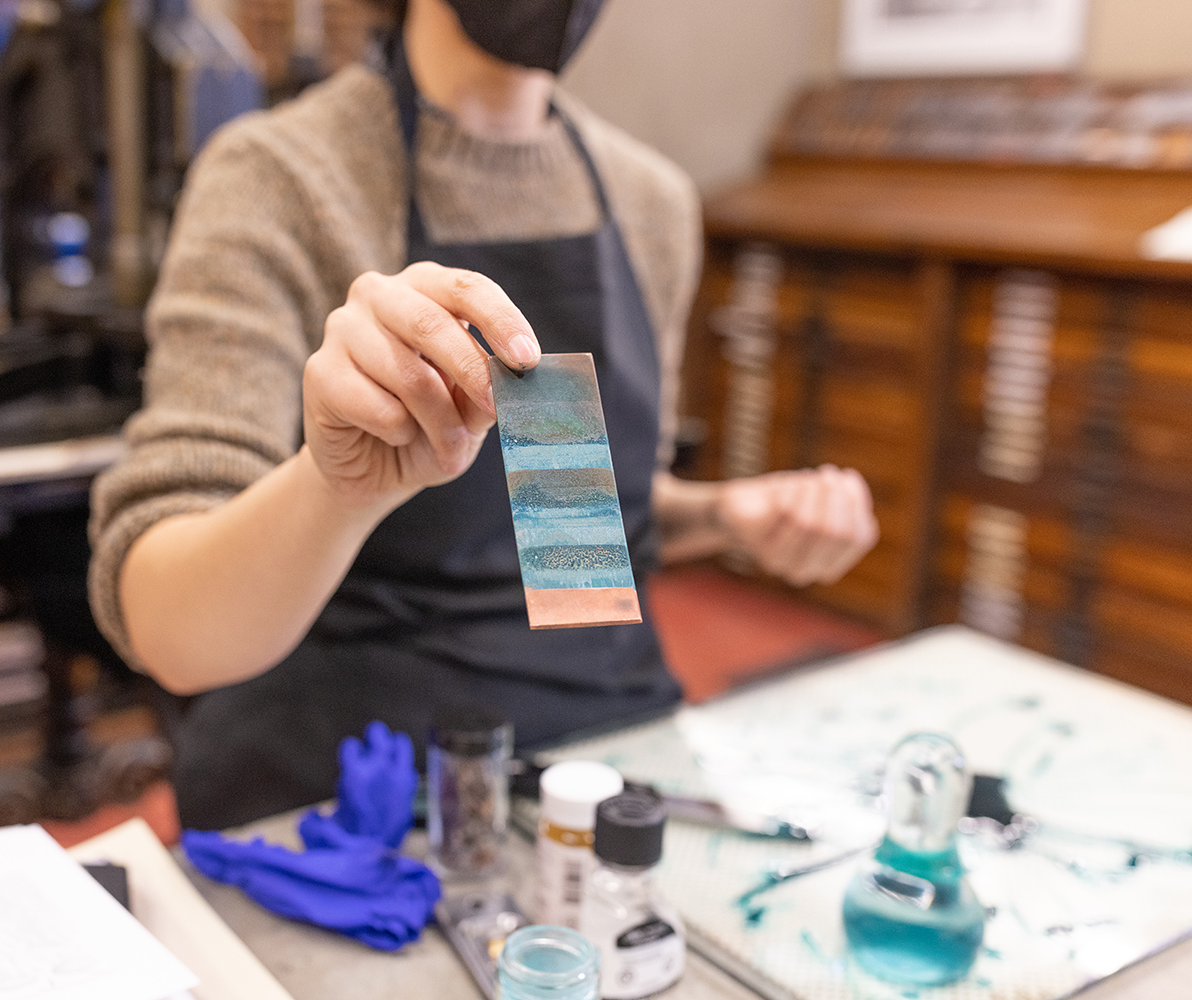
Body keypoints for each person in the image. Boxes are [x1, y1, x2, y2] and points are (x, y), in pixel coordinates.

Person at [89, 0, 879, 830]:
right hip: (350, 786)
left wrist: (725, 515)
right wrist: (337, 488)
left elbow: (564, 527)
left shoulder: (646, 201)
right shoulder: (282, 178)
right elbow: (170, 633)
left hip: (597, 760)